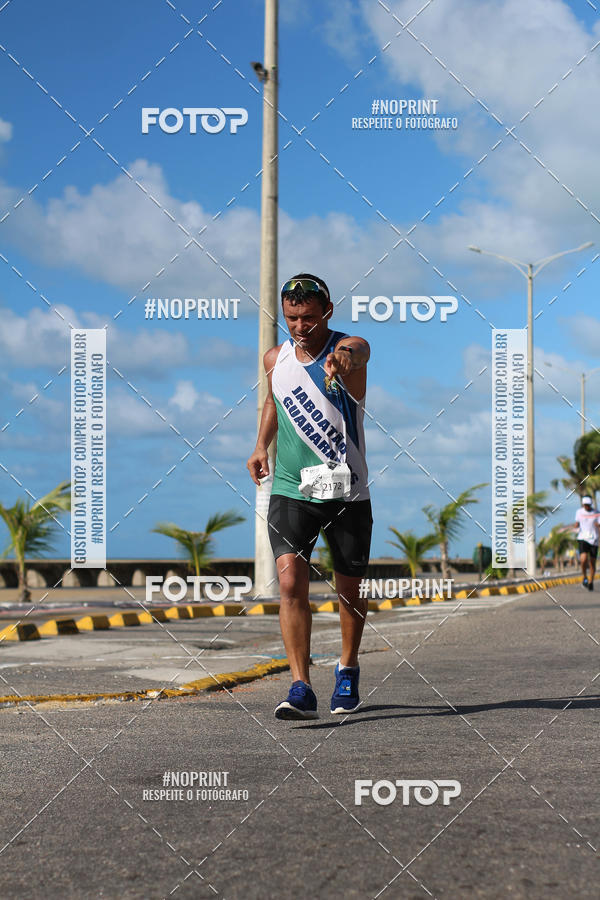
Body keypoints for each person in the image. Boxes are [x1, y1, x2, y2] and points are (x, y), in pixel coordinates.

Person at [247, 274, 372, 719]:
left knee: (349, 590)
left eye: (309, 318)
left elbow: (360, 349)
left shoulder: (348, 347)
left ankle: (348, 670)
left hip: (347, 489)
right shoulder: (274, 357)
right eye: (292, 318)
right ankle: (300, 686)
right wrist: (261, 444)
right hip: (291, 487)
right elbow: (272, 403)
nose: (300, 326)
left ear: (328, 312)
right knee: (289, 582)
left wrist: (342, 359)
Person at [573, 495, 600, 590]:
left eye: (588, 505)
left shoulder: (597, 513)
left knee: (592, 563)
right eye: (585, 505)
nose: (587, 507)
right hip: (583, 538)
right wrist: (575, 526)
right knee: (583, 560)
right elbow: (577, 524)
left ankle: (591, 581)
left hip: (594, 540)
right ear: (583, 504)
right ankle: (584, 577)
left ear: (591, 504)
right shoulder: (579, 512)